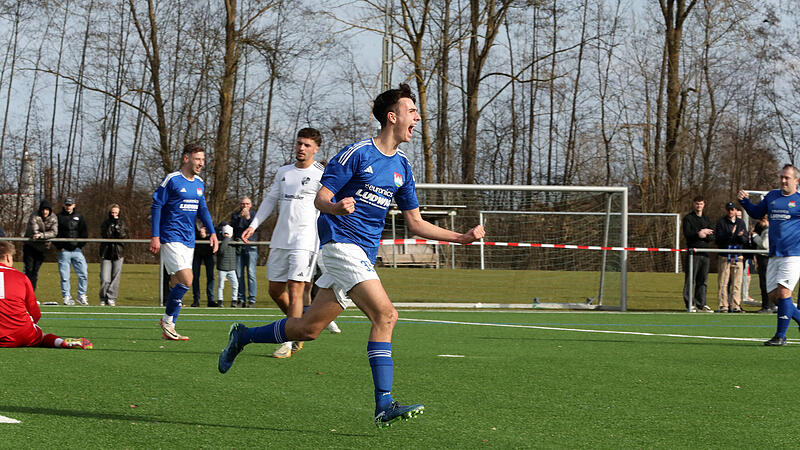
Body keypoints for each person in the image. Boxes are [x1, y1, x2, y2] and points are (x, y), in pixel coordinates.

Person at [219, 84, 486, 428]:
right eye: (412, 111)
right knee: (386, 315)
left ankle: (242, 336)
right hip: (340, 246)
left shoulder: (403, 167)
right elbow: (320, 199)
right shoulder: (356, 153)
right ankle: (384, 404)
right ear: (393, 117)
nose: (417, 118)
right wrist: (336, 206)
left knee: (308, 329)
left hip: (362, 255)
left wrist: (460, 238)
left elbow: (416, 223)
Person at [241, 127, 340, 359]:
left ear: (316, 149)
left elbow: (330, 207)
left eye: (306, 145)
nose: (301, 148)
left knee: (296, 289)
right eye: (299, 144)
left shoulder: (322, 174)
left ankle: (286, 341)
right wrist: (253, 225)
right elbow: (270, 200)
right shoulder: (283, 172)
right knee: (275, 290)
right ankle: (298, 326)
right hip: (280, 238)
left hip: (305, 240)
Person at [150, 142, 218, 341]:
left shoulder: (199, 182)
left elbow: (202, 209)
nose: (201, 163)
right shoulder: (172, 179)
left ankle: (169, 327)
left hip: (189, 240)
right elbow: (157, 206)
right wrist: (155, 235)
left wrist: (212, 233)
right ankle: (167, 320)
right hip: (171, 237)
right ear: (186, 158)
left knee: (177, 282)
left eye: (203, 160)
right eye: (198, 159)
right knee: (188, 280)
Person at [738, 164, 800, 345]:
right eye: (781, 177)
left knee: (783, 292)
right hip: (774, 254)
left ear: (796, 181)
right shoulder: (772, 196)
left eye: (787, 178)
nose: (782, 180)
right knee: (774, 295)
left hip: (793, 254)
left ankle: (780, 336)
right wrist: (745, 202)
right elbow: (757, 213)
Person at [0, 241, 92, 349]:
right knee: (42, 337)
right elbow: (34, 310)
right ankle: (60, 342)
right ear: (8, 257)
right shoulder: (21, 277)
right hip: (22, 334)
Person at [681, 195, 714, 312]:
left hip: (705, 253)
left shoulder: (707, 219)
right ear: (693, 204)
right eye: (696, 203)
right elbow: (688, 234)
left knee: (703, 280)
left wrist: (705, 234)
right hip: (693, 253)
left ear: (704, 204)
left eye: (700, 203)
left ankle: (701, 304)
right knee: (691, 279)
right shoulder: (688, 218)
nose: (698, 206)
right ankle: (689, 304)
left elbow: (712, 236)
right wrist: (699, 233)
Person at [55, 197, 89, 306]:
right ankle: (66, 296)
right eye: (67, 205)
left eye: (70, 205)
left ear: (74, 205)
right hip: (64, 251)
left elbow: (84, 232)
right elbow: (55, 232)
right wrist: (60, 246)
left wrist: (80, 245)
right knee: (65, 276)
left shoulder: (79, 216)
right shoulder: (59, 217)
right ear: (64, 205)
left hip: (77, 250)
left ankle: (81, 295)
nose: (68, 207)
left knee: (83, 273)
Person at [714, 202, 747, 313]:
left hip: (738, 256)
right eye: (729, 209)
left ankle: (735, 305)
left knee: (737, 283)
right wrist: (730, 234)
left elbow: (744, 239)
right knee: (723, 282)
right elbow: (718, 239)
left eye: (732, 209)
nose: (730, 211)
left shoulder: (741, 222)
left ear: (735, 210)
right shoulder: (721, 222)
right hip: (725, 256)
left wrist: (740, 236)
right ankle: (723, 305)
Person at [22, 200, 57, 290]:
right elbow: (34, 230)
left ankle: (32, 293)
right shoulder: (34, 216)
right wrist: (39, 235)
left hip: (42, 248)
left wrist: (41, 235)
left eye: (47, 210)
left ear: (50, 210)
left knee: (35, 271)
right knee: (29, 269)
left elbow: (54, 232)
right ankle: (26, 291)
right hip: (30, 245)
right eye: (43, 209)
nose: (45, 212)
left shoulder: (54, 218)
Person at [99, 203, 129, 306]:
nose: (114, 214)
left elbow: (123, 235)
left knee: (115, 277)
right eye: (112, 212)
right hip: (106, 252)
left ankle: (111, 297)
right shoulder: (105, 223)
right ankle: (103, 298)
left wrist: (117, 227)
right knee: (104, 278)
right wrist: (111, 225)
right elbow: (105, 234)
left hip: (118, 252)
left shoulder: (122, 223)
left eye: (116, 213)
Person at [231, 197, 258, 308]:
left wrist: (247, 217)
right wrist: (239, 217)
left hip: (251, 247)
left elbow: (255, 228)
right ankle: (241, 299)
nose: (245, 206)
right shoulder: (235, 215)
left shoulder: (255, 215)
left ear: (250, 205)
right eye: (242, 204)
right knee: (239, 274)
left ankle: (252, 300)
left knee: (251, 273)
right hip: (239, 247)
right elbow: (232, 227)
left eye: (247, 204)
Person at [191, 220, 217, 307]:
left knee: (210, 276)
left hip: (209, 251)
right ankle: (196, 299)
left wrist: (207, 235)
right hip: (197, 251)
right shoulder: (193, 219)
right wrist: (200, 234)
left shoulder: (210, 218)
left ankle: (211, 300)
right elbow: (191, 232)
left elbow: (215, 231)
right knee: (195, 276)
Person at [750, 215, 771, 313]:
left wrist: (754, 236)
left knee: (765, 283)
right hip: (764, 258)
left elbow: (764, 245)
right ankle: (768, 305)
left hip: (765, 259)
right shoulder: (766, 229)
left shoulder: (768, 230)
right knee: (764, 283)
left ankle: (767, 306)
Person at [216, 224, 238, 306]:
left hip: (232, 268)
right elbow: (221, 251)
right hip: (222, 268)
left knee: (235, 284)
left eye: (228, 234)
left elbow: (238, 252)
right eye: (225, 234)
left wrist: (238, 243)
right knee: (221, 285)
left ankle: (234, 301)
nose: (226, 236)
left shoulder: (233, 242)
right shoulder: (222, 242)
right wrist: (226, 239)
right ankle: (220, 300)